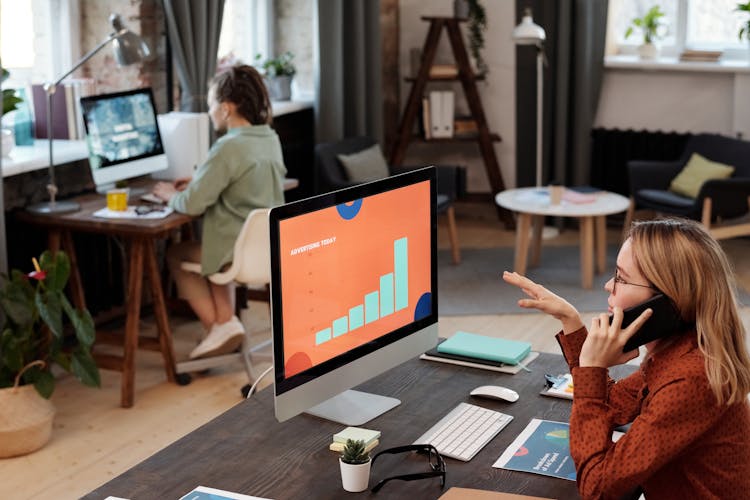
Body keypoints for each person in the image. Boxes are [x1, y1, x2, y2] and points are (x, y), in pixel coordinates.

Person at [503, 218, 750, 499]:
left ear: (664, 301)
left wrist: (593, 366)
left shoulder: (691, 379)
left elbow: (597, 486)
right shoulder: (678, 351)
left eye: (621, 277)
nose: (609, 285)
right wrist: (571, 322)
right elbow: (611, 405)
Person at [152, 64, 286, 359]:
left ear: (226, 109)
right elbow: (242, 180)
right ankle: (225, 324)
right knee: (216, 245)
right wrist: (200, 179)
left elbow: (193, 204)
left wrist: (171, 195)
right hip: (269, 250)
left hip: (233, 254)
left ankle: (221, 326)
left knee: (177, 254)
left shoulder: (227, 147)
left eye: (212, 104)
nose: (210, 110)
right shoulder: (269, 138)